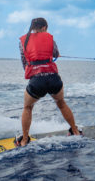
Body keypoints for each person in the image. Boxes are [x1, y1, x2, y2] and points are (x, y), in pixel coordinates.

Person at [17, 17, 80, 147]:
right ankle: (75, 131)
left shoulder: (23, 41)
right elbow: (55, 53)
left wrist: (33, 74)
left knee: (28, 107)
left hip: (37, 82)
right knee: (61, 103)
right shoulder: (51, 38)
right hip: (53, 79)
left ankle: (24, 140)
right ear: (44, 27)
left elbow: (24, 62)